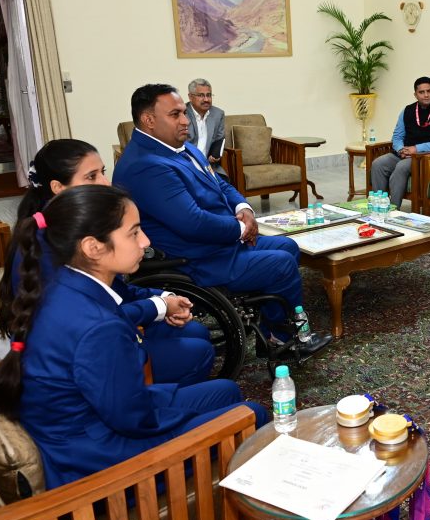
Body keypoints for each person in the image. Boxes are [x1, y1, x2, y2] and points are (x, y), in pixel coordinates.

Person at [0, 185, 269, 490]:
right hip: (98, 463)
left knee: (225, 391)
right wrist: (184, 418)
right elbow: (133, 420)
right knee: (252, 414)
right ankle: (253, 518)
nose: (146, 241)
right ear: (93, 247)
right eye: (134, 233)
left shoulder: (62, 284)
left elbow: (121, 401)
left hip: (86, 429)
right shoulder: (99, 329)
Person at [113, 83, 329, 353]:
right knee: (282, 263)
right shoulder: (145, 166)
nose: (185, 121)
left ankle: (272, 333)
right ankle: (286, 337)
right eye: (176, 114)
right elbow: (193, 222)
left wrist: (244, 209)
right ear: (148, 120)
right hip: (194, 259)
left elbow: (221, 185)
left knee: (287, 246)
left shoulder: (183, 148)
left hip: (219, 243)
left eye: (184, 113)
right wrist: (240, 229)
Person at [15, 139, 214, 385]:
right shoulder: (54, 243)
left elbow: (116, 291)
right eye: (91, 176)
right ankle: (169, 403)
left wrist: (164, 296)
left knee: (196, 331)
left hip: (107, 325)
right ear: (58, 187)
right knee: (198, 353)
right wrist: (159, 307)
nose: (105, 183)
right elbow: (94, 316)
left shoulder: (83, 223)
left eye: (103, 172)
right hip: (87, 351)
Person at [371, 76, 430, 209]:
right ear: (415, 94)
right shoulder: (407, 110)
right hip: (403, 153)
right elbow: (397, 136)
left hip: (424, 157)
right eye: (422, 92)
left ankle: (393, 210)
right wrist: (400, 149)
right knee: (378, 164)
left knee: (401, 167)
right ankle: (378, 206)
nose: (426, 95)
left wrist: (416, 149)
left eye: (429, 91)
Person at [185, 78, 226, 171]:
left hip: (209, 166)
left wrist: (214, 155)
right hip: (187, 166)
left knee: (225, 184)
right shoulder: (182, 113)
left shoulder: (218, 114)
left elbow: (219, 139)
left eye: (209, 95)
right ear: (190, 97)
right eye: (201, 95)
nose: (206, 99)